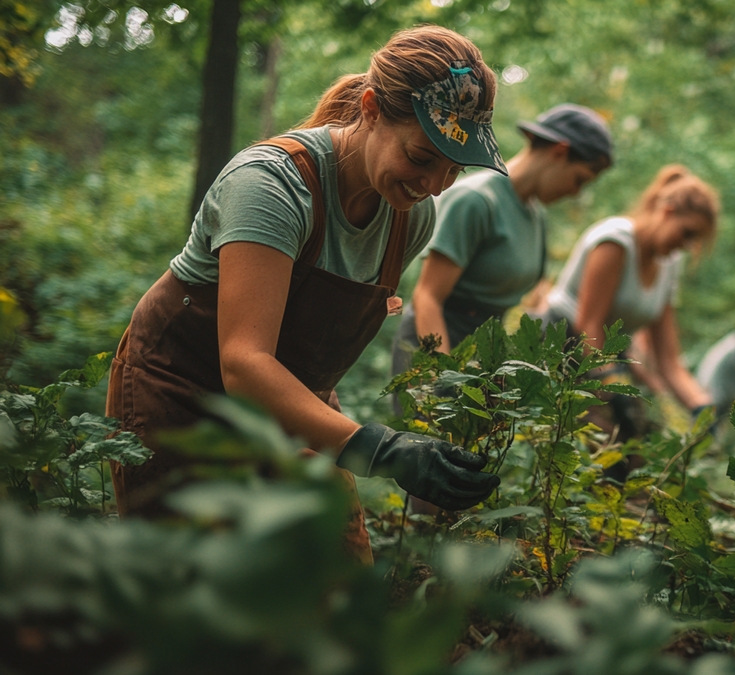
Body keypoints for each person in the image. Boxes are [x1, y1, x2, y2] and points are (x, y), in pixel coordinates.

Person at [105, 26, 504, 563]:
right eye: (422, 156)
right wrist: (380, 450)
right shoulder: (270, 185)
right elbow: (245, 363)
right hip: (181, 394)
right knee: (196, 598)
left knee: (335, 587)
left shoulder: (411, 218)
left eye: (454, 169)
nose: (434, 185)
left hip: (290, 404)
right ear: (370, 108)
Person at [392, 103, 613, 375]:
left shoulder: (536, 215)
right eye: (579, 179)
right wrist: (443, 374)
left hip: (484, 352)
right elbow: (427, 297)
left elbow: (531, 298)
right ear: (560, 151)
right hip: (435, 345)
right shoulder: (477, 200)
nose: (576, 192)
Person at [540, 164, 718, 441]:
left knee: (635, 450)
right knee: (602, 445)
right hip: (561, 346)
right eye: (687, 233)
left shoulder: (669, 263)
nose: (687, 246)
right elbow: (588, 325)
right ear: (667, 212)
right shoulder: (616, 241)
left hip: (607, 358)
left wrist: (701, 406)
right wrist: (611, 383)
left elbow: (668, 360)